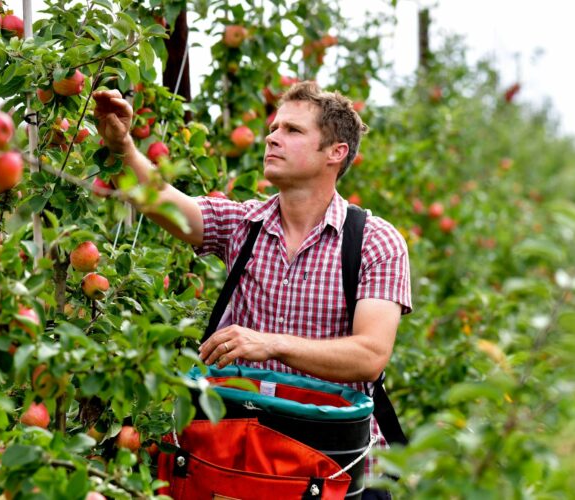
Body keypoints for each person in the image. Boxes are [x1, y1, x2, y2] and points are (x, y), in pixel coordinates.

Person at [93, 81, 412, 499]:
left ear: (336, 152)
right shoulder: (242, 226)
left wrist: (269, 344)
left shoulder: (374, 241)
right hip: (244, 463)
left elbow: (370, 356)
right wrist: (124, 147)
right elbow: (159, 199)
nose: (271, 137)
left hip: (335, 466)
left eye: (292, 131)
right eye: (274, 127)